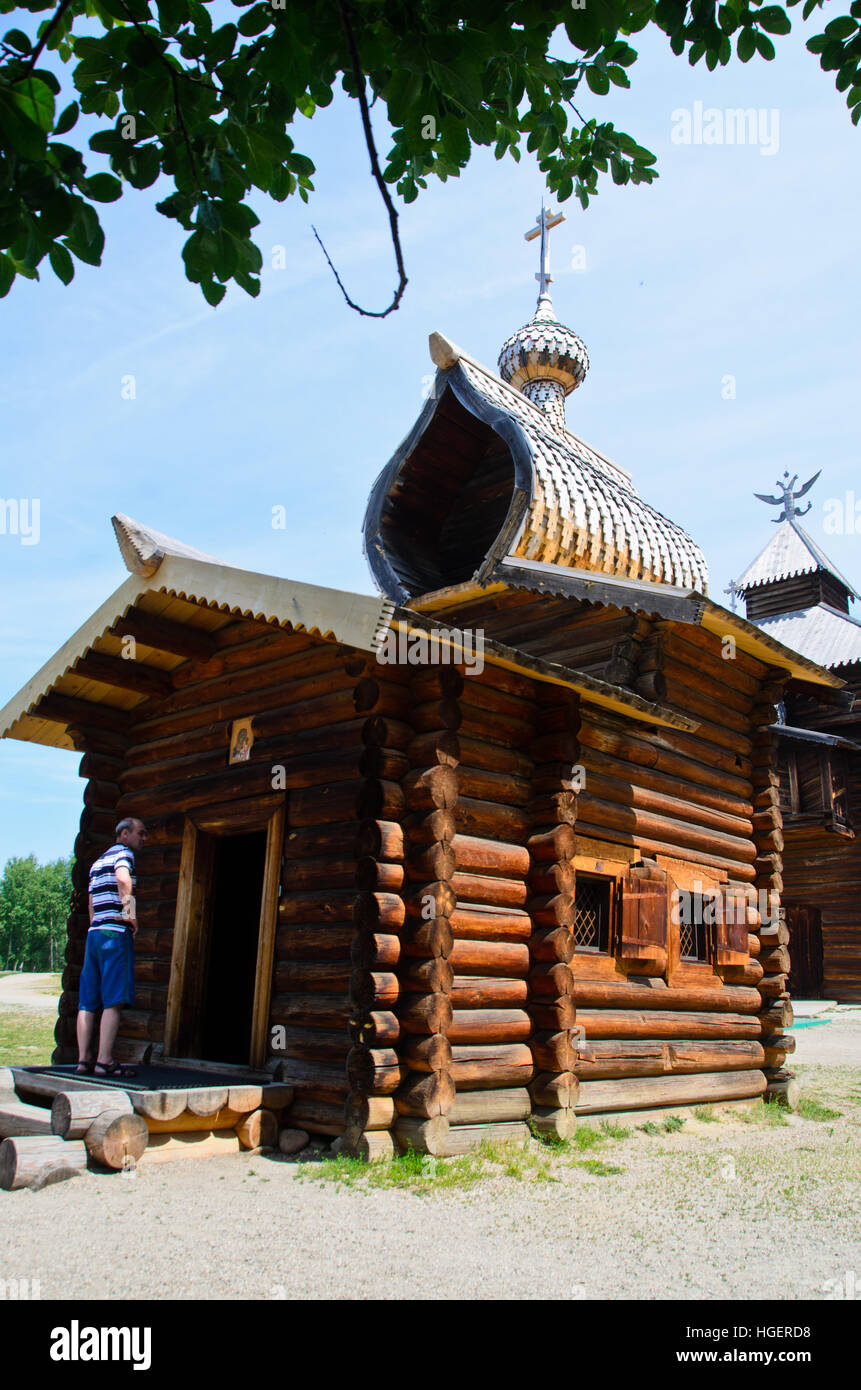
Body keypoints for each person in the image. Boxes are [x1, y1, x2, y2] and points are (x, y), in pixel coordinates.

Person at [76, 817, 147, 1078]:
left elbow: (92, 901)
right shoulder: (123, 854)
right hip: (115, 934)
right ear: (124, 834)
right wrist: (130, 914)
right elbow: (123, 880)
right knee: (114, 1000)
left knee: (87, 1001)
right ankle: (104, 1060)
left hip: (95, 934)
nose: (144, 838)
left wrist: (96, 923)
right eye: (141, 833)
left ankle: (84, 1061)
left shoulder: (97, 862)